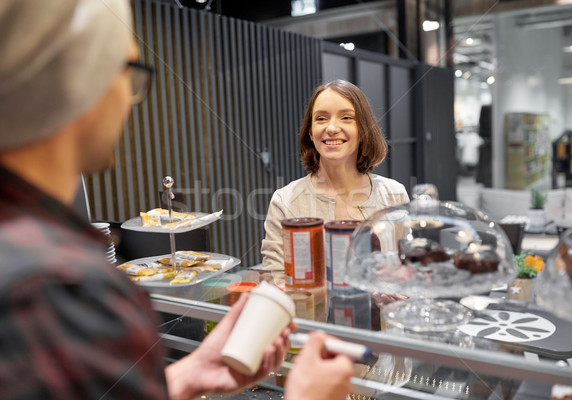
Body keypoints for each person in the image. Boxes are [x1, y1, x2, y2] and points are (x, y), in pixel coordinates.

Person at [0, 1, 353, 399]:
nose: (128, 100)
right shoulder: (58, 288)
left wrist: (186, 376)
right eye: (128, 71)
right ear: (77, 79)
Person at [261, 79, 409, 270]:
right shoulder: (285, 201)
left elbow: (407, 268)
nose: (331, 128)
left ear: (364, 130)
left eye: (346, 118)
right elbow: (276, 277)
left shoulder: (394, 193)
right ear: (310, 133)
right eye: (321, 119)